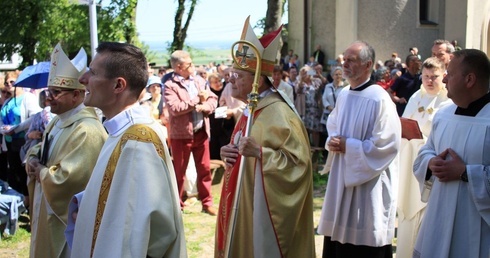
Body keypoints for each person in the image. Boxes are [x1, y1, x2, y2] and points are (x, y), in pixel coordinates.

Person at [71, 42, 186, 257]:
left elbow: (132, 236)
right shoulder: (122, 131)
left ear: (118, 85)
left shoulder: (136, 141)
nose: (82, 79)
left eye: (93, 72)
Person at [216, 17, 315, 257]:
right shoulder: (250, 108)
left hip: (259, 214)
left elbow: (299, 166)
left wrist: (260, 154)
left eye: (237, 75)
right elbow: (240, 147)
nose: (231, 80)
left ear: (257, 81)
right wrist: (228, 152)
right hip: (239, 202)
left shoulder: (280, 113)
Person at [317, 41, 401, 258]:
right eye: (344, 59)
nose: (344, 64)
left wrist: (349, 146)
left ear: (368, 64)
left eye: (351, 60)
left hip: (367, 185)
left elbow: (387, 145)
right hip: (341, 177)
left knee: (361, 243)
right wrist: (334, 141)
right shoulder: (344, 94)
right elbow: (333, 124)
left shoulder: (380, 99)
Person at [25, 43, 107, 258]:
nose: (48, 97)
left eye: (56, 92)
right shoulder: (56, 122)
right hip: (46, 205)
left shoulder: (87, 129)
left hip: (65, 219)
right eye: (48, 91)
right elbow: (41, 149)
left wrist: (41, 171)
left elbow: (70, 180)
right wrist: (32, 160)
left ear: (77, 95)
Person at [412, 49, 490, 258]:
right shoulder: (444, 114)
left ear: (469, 79)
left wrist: (465, 172)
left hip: (478, 228)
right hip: (438, 218)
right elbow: (427, 150)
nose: (444, 79)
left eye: (450, 73)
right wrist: (430, 163)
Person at [396, 57, 452, 258]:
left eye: (434, 77)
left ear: (444, 76)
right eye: (426, 76)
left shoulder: (449, 102)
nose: (429, 81)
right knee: (407, 217)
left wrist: (423, 140)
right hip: (410, 163)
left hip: (431, 168)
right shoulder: (415, 97)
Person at [164, 50, 218, 215]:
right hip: (181, 136)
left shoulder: (199, 81)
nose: (193, 66)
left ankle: (207, 203)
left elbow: (212, 99)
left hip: (200, 132)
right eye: (190, 64)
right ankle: (177, 204)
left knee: (205, 169)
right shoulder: (169, 86)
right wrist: (196, 101)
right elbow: (175, 108)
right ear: (179, 67)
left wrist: (205, 107)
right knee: (179, 172)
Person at [1, 72, 41, 195]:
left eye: (12, 81)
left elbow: (35, 117)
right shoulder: (8, 101)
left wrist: (16, 128)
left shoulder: (28, 98)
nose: (9, 85)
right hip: (9, 143)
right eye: (6, 82)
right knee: (13, 174)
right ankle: (17, 203)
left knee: (25, 175)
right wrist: (4, 129)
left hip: (24, 142)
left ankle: (28, 202)